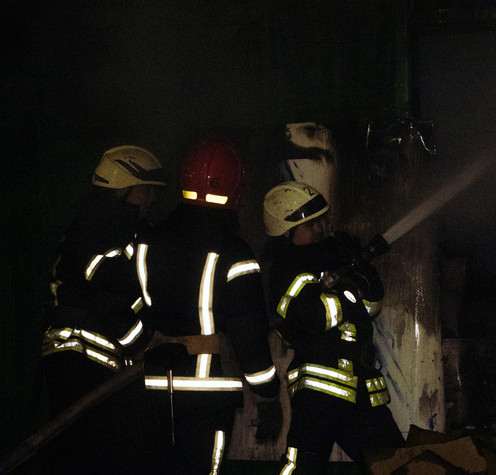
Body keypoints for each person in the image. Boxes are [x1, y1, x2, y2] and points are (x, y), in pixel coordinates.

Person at [135, 137, 282, 474]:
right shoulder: (235, 253)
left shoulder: (147, 242)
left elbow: (130, 307)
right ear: (236, 189)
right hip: (208, 395)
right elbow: (248, 335)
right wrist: (268, 397)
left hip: (150, 388)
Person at [261, 181, 405, 474]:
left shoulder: (335, 258)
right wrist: (352, 291)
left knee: (397, 466)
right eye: (311, 225)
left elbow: (372, 307)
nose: (321, 229)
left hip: (361, 389)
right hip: (319, 393)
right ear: (286, 232)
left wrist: (361, 275)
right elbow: (313, 317)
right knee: (301, 468)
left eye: (323, 221)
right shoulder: (286, 269)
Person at [40, 145, 166, 474]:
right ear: (124, 188)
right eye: (146, 190)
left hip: (81, 360)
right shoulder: (105, 229)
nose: (152, 199)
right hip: (84, 360)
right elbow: (109, 296)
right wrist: (141, 342)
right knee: (97, 453)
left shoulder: (96, 223)